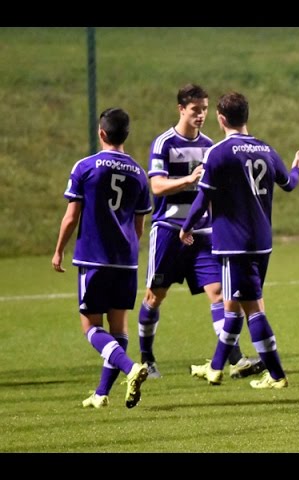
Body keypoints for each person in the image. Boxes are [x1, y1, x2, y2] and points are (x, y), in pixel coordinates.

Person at [138, 84, 264, 380]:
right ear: (181, 109)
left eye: (205, 109)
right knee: (155, 296)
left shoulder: (210, 145)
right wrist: (188, 179)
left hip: (203, 232)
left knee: (218, 293)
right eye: (195, 110)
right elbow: (156, 186)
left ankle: (236, 358)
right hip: (169, 230)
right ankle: (147, 358)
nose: (201, 115)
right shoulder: (164, 143)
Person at [180, 91, 299, 389]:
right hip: (262, 242)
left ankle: (276, 375)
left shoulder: (218, 153)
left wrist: (186, 227)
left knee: (253, 309)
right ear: (247, 116)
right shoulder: (266, 149)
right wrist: (297, 165)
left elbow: (202, 198)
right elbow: (289, 183)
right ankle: (216, 367)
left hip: (235, 245)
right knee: (233, 304)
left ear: (221, 119)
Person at [52, 107, 152, 409]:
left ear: (101, 133)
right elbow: (139, 226)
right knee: (118, 328)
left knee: (91, 328)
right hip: (126, 261)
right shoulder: (139, 173)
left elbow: (71, 217)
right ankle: (101, 393)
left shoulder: (86, 167)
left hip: (94, 258)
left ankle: (130, 368)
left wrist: (58, 249)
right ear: (126, 135)